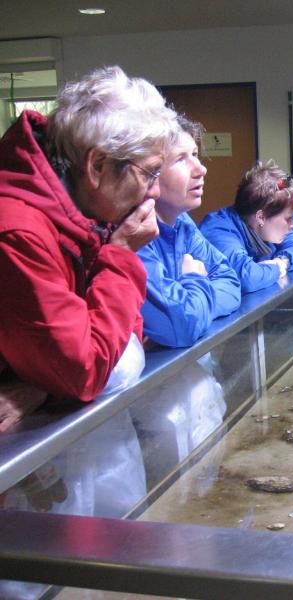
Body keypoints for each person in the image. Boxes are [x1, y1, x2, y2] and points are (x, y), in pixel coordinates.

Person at [0, 65, 177, 430]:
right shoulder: (19, 232)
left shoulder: (89, 214)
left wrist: (45, 386)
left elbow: (128, 339)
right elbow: (86, 371)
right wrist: (122, 254)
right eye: (150, 173)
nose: (156, 192)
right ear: (97, 165)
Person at [137, 116, 241, 348]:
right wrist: (195, 279)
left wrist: (192, 303)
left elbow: (231, 282)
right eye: (181, 159)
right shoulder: (134, 231)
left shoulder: (182, 222)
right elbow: (181, 326)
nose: (201, 169)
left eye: (195, 154)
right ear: (149, 173)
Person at [200, 159, 293, 293]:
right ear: (261, 217)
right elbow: (246, 277)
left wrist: (283, 260)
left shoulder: (265, 229)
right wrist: (276, 268)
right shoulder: (218, 232)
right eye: (288, 218)